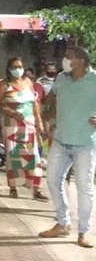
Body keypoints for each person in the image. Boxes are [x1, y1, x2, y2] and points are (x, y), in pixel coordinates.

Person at [39, 46, 96, 249]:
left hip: (85, 144)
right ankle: (63, 223)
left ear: (80, 60)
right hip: (61, 140)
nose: (64, 60)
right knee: (53, 179)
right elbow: (51, 97)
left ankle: (83, 232)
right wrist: (47, 114)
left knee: (84, 188)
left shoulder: (94, 79)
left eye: (68, 57)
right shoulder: (62, 77)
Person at [0, 56, 48, 201]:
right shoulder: (4, 85)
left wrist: (39, 121)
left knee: (33, 156)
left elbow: (34, 103)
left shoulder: (28, 82)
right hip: (12, 125)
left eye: (20, 66)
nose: (18, 69)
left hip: (28, 124)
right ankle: (13, 187)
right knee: (14, 156)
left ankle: (36, 188)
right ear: (9, 69)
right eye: (15, 67)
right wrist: (11, 112)